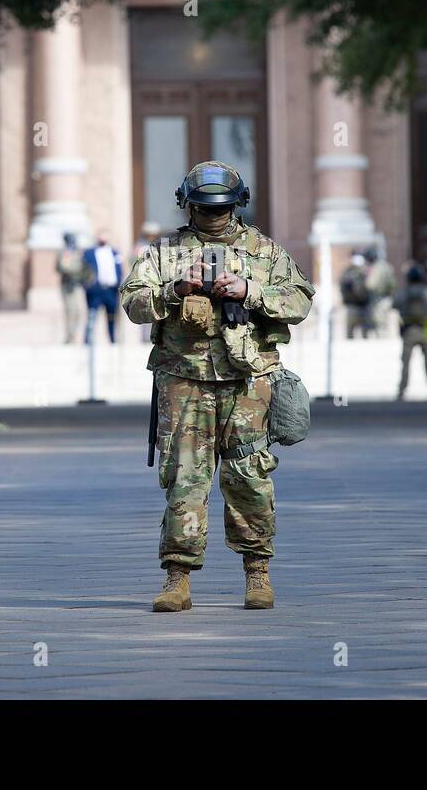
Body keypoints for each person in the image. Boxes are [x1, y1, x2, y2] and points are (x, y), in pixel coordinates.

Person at [120, 160, 313, 612]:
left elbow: (300, 300)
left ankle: (257, 571)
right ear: (187, 206)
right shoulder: (165, 253)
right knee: (186, 478)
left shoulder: (264, 251)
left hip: (247, 379)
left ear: (237, 205)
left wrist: (249, 291)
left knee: (249, 475)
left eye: (221, 209)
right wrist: (174, 290)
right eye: (204, 209)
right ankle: (177, 578)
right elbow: (133, 302)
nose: (212, 216)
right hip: (184, 379)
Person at [395, 266, 427, 401]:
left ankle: (401, 392)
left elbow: (395, 304)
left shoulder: (404, 292)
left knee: (405, 363)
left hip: (409, 330)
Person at [83, 230, 124, 344]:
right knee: (92, 315)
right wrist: (87, 285)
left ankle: (112, 340)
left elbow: (119, 270)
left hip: (111, 289)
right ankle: (88, 341)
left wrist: (119, 283)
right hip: (96, 289)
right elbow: (84, 270)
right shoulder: (89, 253)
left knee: (112, 316)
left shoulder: (115, 253)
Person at [56, 232, 87, 344]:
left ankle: (73, 334)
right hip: (68, 286)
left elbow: (83, 266)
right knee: (70, 311)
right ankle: (70, 337)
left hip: (77, 285)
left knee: (78, 312)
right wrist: (75, 269)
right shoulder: (65, 252)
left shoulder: (77, 252)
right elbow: (63, 267)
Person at [363, 246, 397, 337]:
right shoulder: (386, 266)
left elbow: (371, 285)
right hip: (386, 298)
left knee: (380, 325)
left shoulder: (378, 268)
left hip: (380, 300)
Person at [340, 252, 373, 339]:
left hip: (362, 305)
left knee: (364, 331)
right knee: (352, 331)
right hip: (354, 305)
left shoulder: (363, 272)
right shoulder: (349, 273)